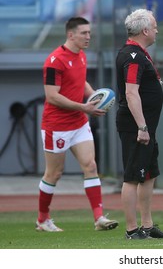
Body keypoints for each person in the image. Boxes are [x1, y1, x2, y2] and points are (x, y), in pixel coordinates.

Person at [37, 17, 118, 232]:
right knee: (54, 173)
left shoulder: (81, 56)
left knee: (91, 166)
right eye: (84, 33)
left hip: (79, 123)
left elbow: (80, 81)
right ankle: (42, 220)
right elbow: (52, 96)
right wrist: (84, 107)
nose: (88, 37)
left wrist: (94, 96)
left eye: (89, 33)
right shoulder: (54, 61)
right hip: (56, 125)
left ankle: (99, 218)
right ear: (70, 34)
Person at [115, 9, 163, 240]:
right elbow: (131, 93)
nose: (157, 30)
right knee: (132, 176)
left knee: (148, 174)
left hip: (146, 127)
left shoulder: (139, 53)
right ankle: (131, 230)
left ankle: (147, 226)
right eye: (155, 26)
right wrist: (142, 127)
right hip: (137, 128)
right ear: (145, 30)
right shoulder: (133, 56)